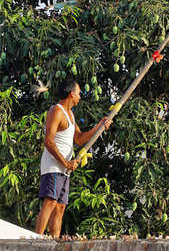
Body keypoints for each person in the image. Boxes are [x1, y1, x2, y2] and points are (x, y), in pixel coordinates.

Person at [35, 79, 112, 238]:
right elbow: (48, 142)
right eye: (78, 93)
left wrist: (99, 126)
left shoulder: (70, 114)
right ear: (71, 94)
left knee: (60, 207)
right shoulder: (56, 111)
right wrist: (66, 163)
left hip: (65, 168)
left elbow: (79, 138)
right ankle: (36, 240)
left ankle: (54, 242)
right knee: (50, 202)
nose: (80, 96)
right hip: (54, 166)